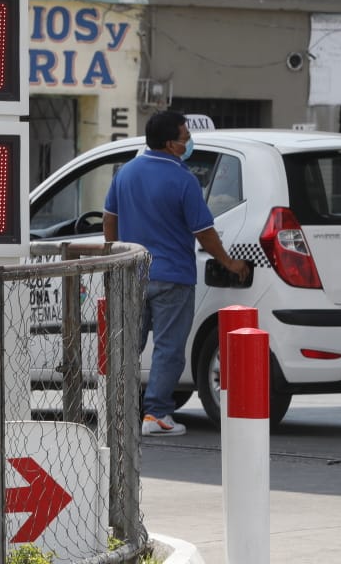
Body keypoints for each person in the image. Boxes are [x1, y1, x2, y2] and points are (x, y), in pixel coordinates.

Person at [103, 111, 250, 437]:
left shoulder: (125, 173)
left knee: (127, 345)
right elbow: (205, 231)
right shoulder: (183, 180)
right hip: (173, 277)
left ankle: (117, 411)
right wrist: (229, 263)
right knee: (168, 349)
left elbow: (109, 218)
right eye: (185, 137)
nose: (188, 143)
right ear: (171, 144)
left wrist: (115, 253)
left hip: (131, 274)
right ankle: (156, 414)